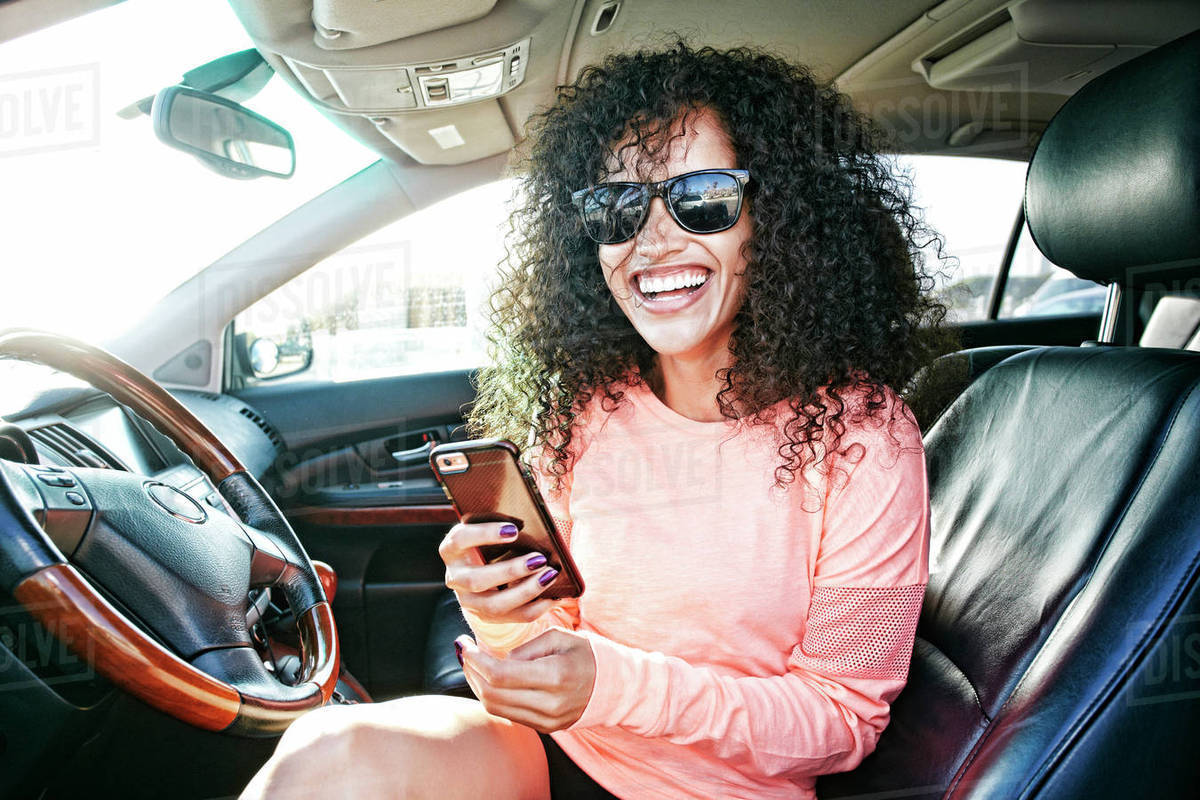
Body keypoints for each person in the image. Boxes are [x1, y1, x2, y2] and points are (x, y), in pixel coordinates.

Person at [242, 41, 953, 800]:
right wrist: (499, 612)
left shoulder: (865, 439)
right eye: (617, 209)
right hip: (565, 755)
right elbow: (551, 647)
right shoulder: (587, 407)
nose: (650, 243)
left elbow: (843, 722)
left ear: (776, 221)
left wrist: (615, 685)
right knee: (328, 749)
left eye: (701, 198)